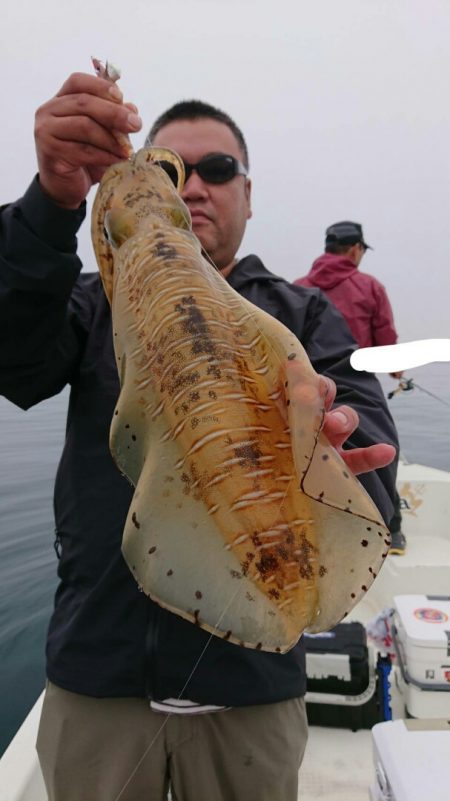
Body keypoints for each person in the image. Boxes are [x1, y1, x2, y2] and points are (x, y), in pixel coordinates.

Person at [0, 72, 398, 801]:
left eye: (218, 169)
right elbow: (15, 363)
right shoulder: (91, 307)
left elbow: (374, 463)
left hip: (252, 696)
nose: (192, 187)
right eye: (171, 170)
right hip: (98, 684)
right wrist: (49, 205)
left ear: (249, 193)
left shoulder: (304, 316)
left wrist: (341, 459)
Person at [295, 220, 406, 555]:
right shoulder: (369, 287)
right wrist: (397, 371)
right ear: (356, 249)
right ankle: (393, 529)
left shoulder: (297, 288)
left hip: (306, 395)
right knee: (381, 450)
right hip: (356, 390)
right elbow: (386, 342)